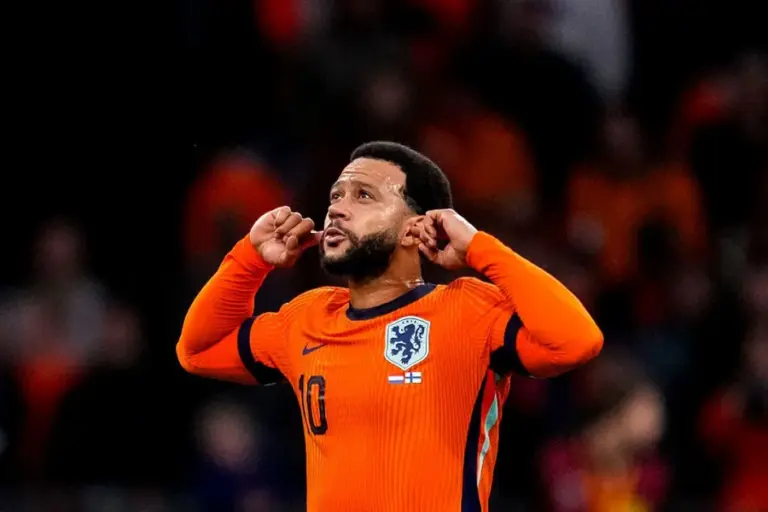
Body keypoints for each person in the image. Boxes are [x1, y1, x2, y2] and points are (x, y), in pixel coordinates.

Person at [177, 141, 604, 512]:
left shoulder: (467, 311)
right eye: (336, 195)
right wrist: (250, 260)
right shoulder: (307, 318)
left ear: (415, 227)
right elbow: (198, 350)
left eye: (363, 196)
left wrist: (479, 248)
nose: (337, 208)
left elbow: (576, 340)